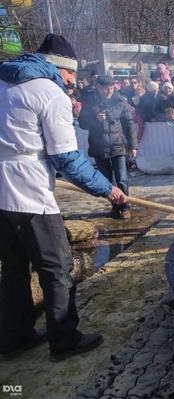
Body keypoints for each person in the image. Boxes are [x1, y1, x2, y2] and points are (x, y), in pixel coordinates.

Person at [0, 34, 127, 362]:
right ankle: (64, 339)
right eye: (71, 74)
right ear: (59, 67)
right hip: (28, 193)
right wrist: (108, 188)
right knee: (57, 267)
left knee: (13, 267)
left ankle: (15, 336)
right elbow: (67, 158)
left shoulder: (4, 80)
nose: (72, 81)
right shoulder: (48, 91)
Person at [79, 75, 137, 219]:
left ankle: (124, 208)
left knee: (122, 179)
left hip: (118, 145)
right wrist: (95, 119)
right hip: (99, 146)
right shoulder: (89, 102)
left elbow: (129, 124)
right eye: (106, 89)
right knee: (106, 181)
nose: (109, 91)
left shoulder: (120, 101)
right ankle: (114, 207)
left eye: (111, 88)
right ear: (98, 88)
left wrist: (133, 145)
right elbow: (82, 123)